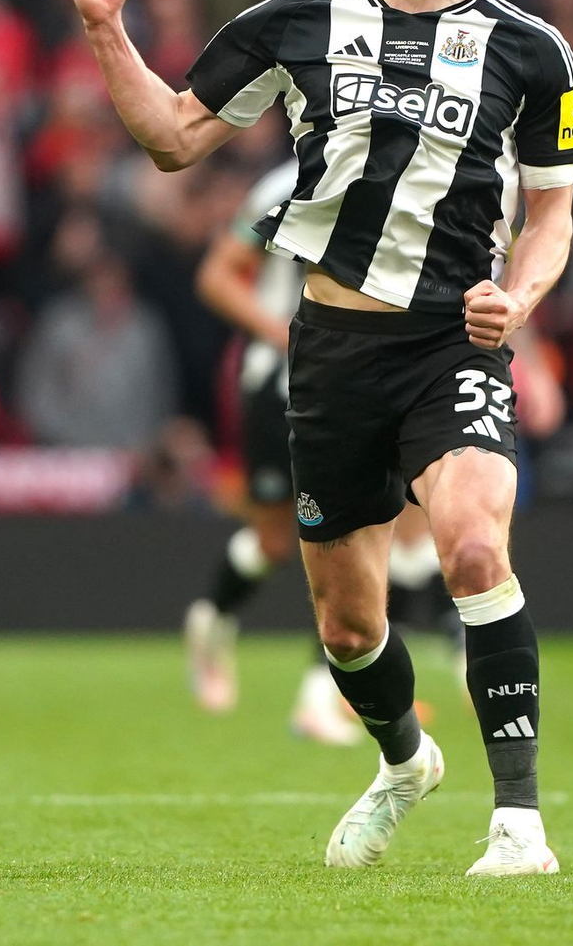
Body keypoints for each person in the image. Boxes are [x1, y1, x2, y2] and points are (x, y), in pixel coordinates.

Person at [71, 0, 573, 877]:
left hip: (455, 341)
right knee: (349, 628)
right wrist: (105, 31)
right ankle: (404, 761)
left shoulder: (531, 51)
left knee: (475, 547)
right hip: (333, 354)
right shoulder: (295, 25)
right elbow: (172, 140)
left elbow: (552, 216)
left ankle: (520, 824)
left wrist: (520, 301)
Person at [188, 158, 454, 744]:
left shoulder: (423, 163)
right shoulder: (289, 182)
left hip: (364, 381)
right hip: (279, 380)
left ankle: (324, 695)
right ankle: (213, 619)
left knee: (360, 530)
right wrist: (286, 333)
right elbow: (217, 275)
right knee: (274, 542)